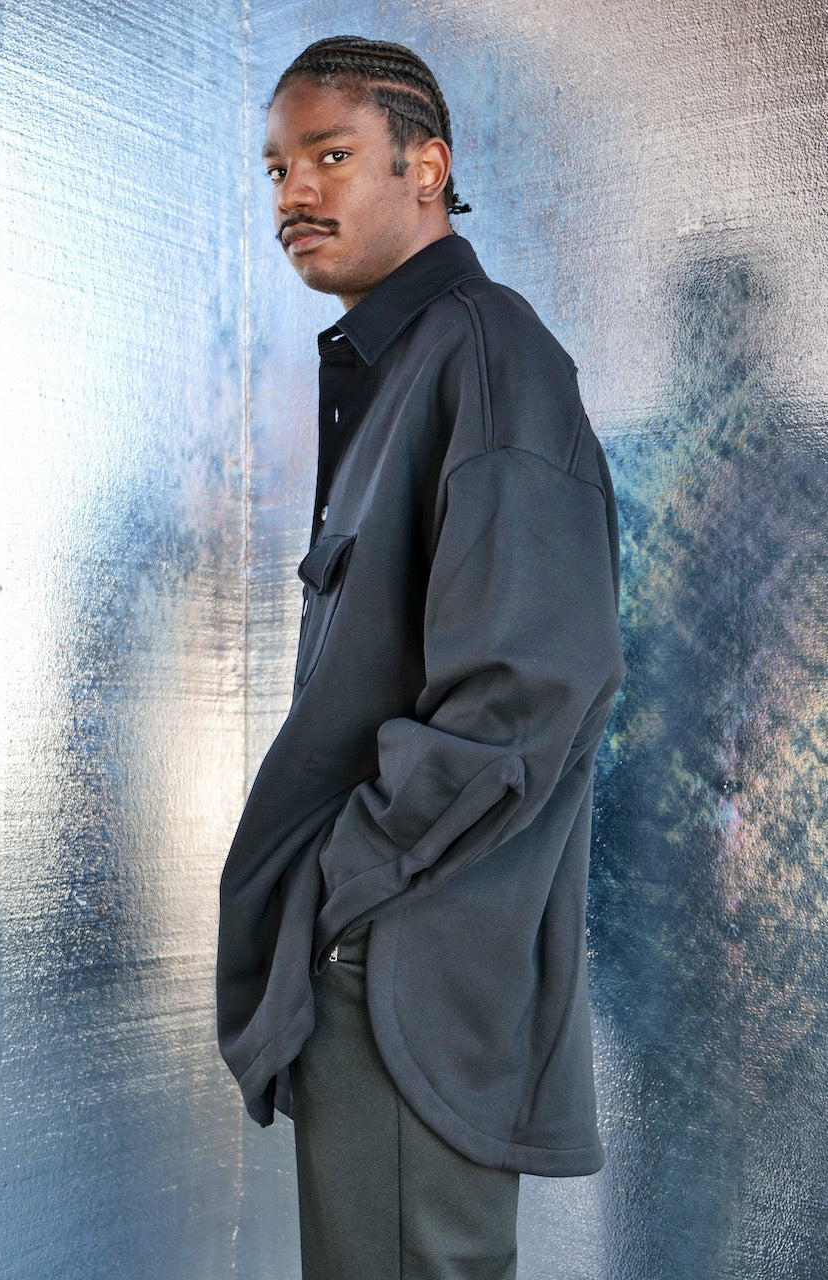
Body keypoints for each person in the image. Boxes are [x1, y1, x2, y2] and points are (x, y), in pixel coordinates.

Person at [217, 35, 624, 1280]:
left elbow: (526, 686)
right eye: (277, 167)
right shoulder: (404, 365)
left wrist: (349, 891)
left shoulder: (486, 354)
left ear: (426, 165)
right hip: (380, 958)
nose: (295, 191)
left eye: (331, 155)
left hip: (406, 975)